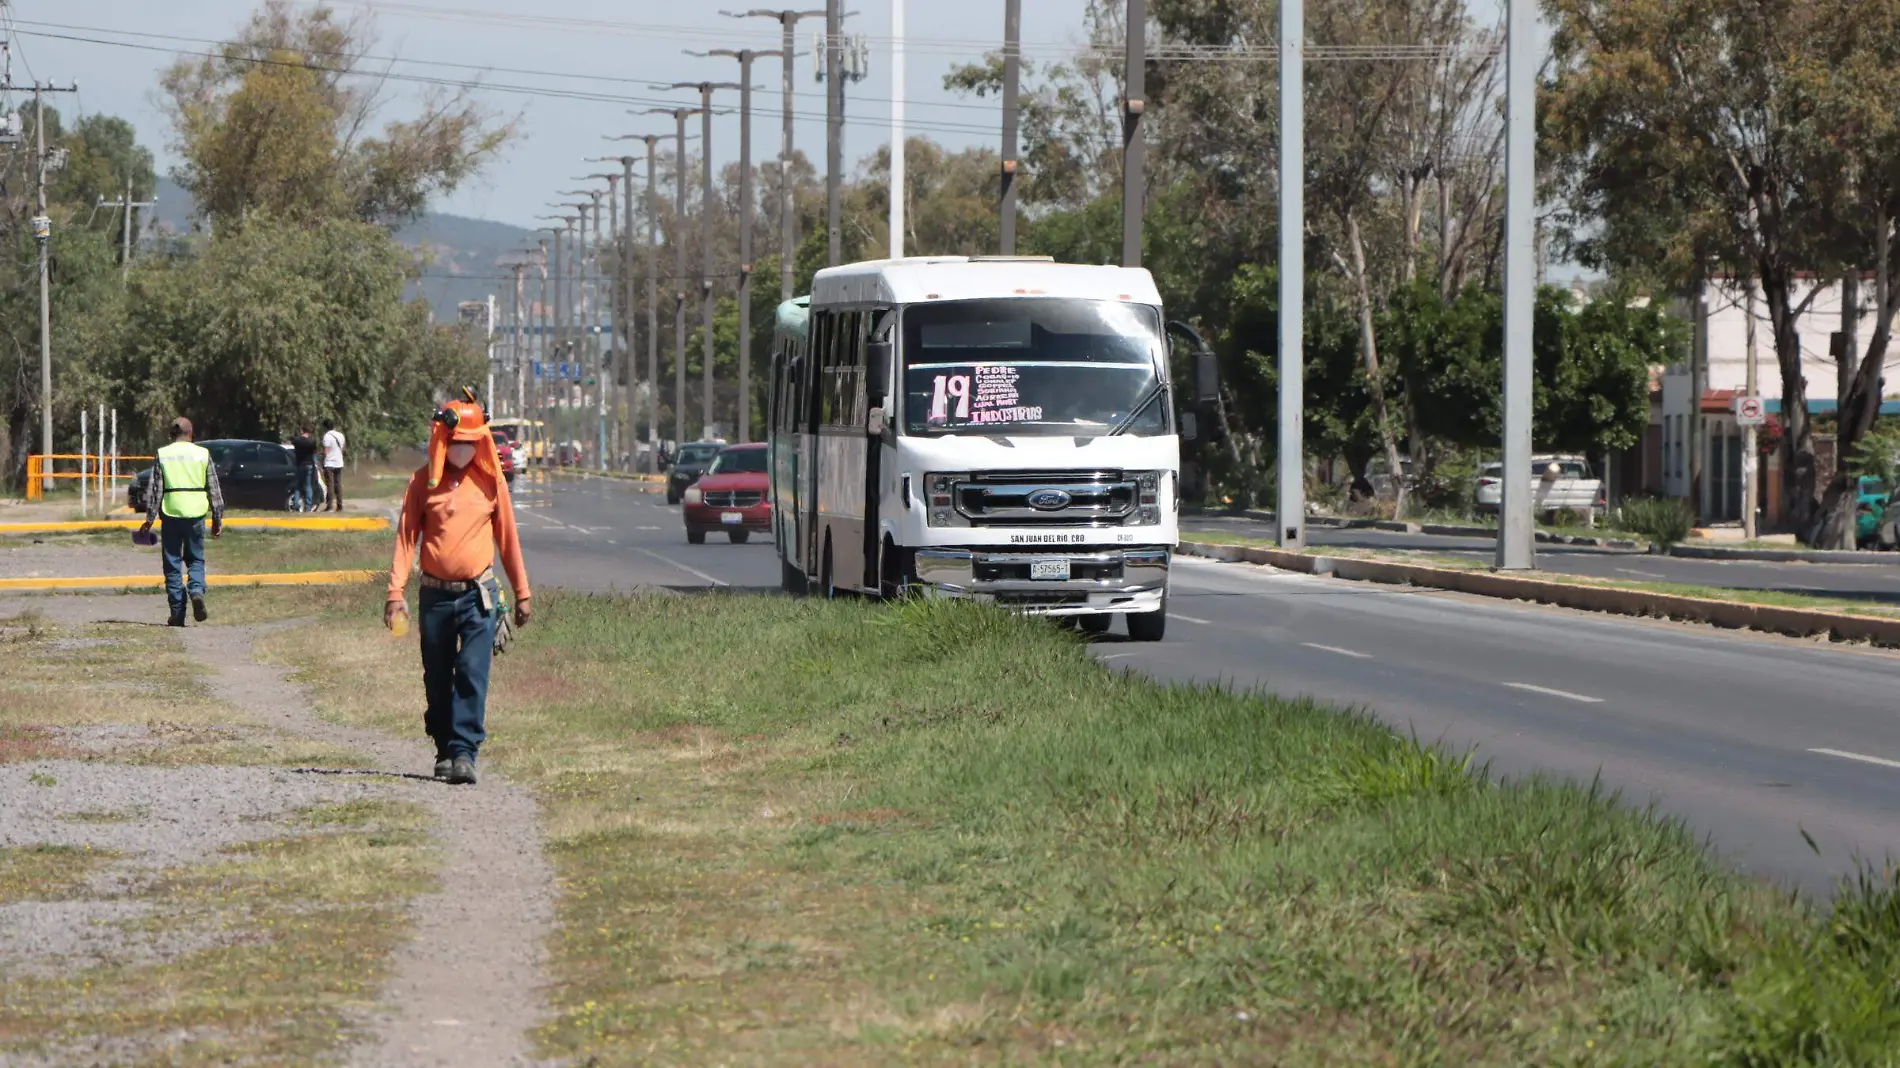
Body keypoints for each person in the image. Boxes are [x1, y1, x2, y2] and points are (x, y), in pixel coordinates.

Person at [385, 397, 532, 785]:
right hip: (434, 597)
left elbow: (508, 539)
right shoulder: (422, 482)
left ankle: (465, 752)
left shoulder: (490, 483)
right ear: (443, 439)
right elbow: (405, 539)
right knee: (437, 676)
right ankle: (444, 748)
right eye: (458, 441)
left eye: (471, 441)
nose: (464, 449)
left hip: (477, 596)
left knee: (471, 671)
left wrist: (522, 592)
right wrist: (394, 593)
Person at [138, 417, 224, 627]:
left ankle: (177, 613)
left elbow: (156, 490)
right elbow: (214, 488)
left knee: (172, 562)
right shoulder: (202, 454)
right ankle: (196, 590)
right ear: (191, 433)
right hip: (196, 513)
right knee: (196, 558)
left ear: (171, 435)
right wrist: (217, 518)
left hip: (171, 513)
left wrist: (149, 520)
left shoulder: (163, 454)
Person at [290, 425, 320, 512]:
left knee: (298, 486)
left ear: (302, 430)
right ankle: (308, 507)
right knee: (308, 486)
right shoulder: (312, 441)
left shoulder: (297, 441)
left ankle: (295, 505)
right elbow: (314, 452)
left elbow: (292, 440)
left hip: (300, 464)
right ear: (309, 432)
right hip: (309, 464)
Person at [320, 419, 347, 511]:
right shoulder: (341, 435)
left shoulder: (327, 436)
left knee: (330, 485)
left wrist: (322, 462)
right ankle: (340, 505)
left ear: (325, 427)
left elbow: (326, 451)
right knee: (338, 484)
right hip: (339, 462)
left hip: (329, 463)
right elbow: (343, 449)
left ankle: (329, 506)